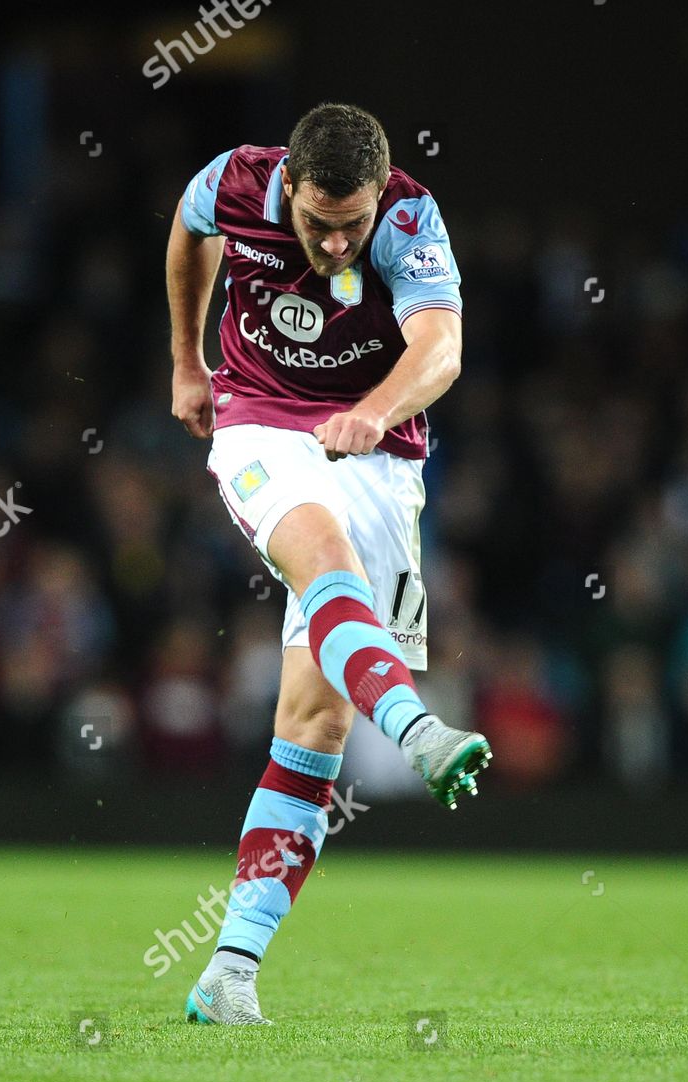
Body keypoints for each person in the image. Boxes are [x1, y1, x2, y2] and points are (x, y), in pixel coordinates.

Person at [165, 102, 492, 1025]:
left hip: (378, 455)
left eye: (353, 223)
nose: (339, 241)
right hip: (261, 422)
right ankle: (420, 731)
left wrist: (378, 410)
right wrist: (188, 360)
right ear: (288, 189)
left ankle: (229, 972)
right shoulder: (235, 181)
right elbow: (188, 234)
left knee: (312, 726)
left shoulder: (409, 217)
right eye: (319, 222)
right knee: (322, 555)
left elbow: (442, 346)